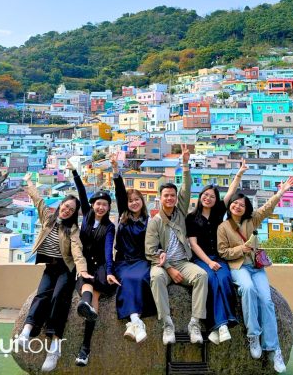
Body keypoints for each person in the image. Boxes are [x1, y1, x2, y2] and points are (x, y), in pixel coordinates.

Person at [217, 177, 293, 374]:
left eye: (241, 205)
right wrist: (240, 249)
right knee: (248, 289)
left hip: (256, 267)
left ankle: (274, 348)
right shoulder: (223, 227)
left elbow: (267, 208)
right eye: (235, 203)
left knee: (267, 301)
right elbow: (222, 252)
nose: (237, 206)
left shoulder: (252, 220)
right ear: (230, 205)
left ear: (246, 208)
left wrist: (280, 192)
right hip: (238, 267)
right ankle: (253, 336)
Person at [16, 173, 89, 372]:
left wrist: (82, 271)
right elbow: (38, 200)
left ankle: (54, 347)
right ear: (60, 205)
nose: (67, 210)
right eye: (65, 206)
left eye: (71, 209)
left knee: (59, 297)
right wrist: (29, 182)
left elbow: (77, 251)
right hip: (50, 268)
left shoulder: (72, 229)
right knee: (42, 295)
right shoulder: (48, 219)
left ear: (74, 213)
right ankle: (26, 331)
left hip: (66, 269)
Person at [145, 144, 208, 345]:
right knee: (156, 278)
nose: (170, 198)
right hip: (164, 265)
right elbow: (150, 251)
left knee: (201, 276)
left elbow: (186, 189)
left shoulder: (180, 212)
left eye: (173, 195)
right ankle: (167, 324)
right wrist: (168, 268)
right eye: (166, 195)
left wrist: (185, 164)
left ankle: (194, 323)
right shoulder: (154, 222)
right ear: (160, 198)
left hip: (183, 262)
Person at [186, 162, 249, 345]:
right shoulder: (191, 217)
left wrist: (239, 173)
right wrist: (208, 262)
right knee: (211, 281)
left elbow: (231, 191)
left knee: (224, 279)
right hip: (201, 259)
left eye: (212, 196)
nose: (208, 198)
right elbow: (193, 244)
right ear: (200, 196)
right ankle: (223, 324)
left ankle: (218, 328)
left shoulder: (219, 212)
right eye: (205, 195)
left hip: (219, 257)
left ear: (216, 200)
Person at [69, 161, 119, 367]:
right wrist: (75, 172)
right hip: (85, 265)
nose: (101, 207)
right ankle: (85, 348)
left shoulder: (109, 227)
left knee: (92, 288)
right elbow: (81, 192)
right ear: (92, 205)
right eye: (98, 203)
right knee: (86, 282)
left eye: (105, 204)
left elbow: (108, 251)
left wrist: (109, 271)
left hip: (100, 267)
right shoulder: (87, 217)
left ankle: (85, 347)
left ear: (108, 208)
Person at [110, 154, 159, 343]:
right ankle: (136, 321)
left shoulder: (149, 221)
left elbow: (156, 243)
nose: (134, 203)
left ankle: (133, 322)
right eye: (130, 201)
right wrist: (116, 170)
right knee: (126, 279)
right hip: (123, 261)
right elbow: (119, 192)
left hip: (141, 261)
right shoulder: (123, 216)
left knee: (138, 278)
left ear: (142, 201)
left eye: (137, 199)